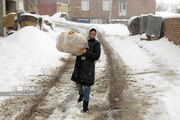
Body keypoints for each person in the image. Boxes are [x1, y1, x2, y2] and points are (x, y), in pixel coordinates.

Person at [71, 27, 101, 113]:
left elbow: (97, 56)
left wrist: (86, 52)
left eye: (94, 34)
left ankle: (85, 107)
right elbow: (74, 51)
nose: (92, 35)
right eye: (90, 34)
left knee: (87, 87)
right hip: (79, 66)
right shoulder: (82, 41)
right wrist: (76, 51)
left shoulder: (96, 44)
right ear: (87, 33)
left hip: (88, 68)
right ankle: (81, 94)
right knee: (78, 84)